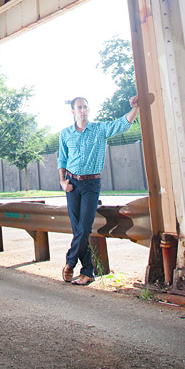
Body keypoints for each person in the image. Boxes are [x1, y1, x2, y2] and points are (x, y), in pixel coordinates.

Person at [58, 94, 139, 286]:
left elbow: (122, 124)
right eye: (79, 107)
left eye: (85, 107)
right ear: (73, 111)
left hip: (91, 184)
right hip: (72, 184)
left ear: (88, 109)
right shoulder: (66, 133)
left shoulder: (99, 129)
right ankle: (88, 272)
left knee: (85, 227)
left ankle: (70, 263)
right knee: (78, 229)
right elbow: (62, 159)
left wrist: (135, 108)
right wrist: (62, 182)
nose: (83, 110)